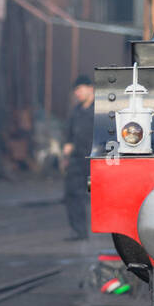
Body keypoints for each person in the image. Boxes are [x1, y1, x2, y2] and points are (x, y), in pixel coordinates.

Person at [62, 74, 95, 241]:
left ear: (91, 88)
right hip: (77, 160)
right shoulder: (76, 111)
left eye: (80, 89)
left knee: (95, 194)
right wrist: (66, 152)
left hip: (96, 162)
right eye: (75, 90)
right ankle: (79, 231)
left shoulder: (100, 109)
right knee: (73, 193)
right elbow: (68, 135)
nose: (78, 93)